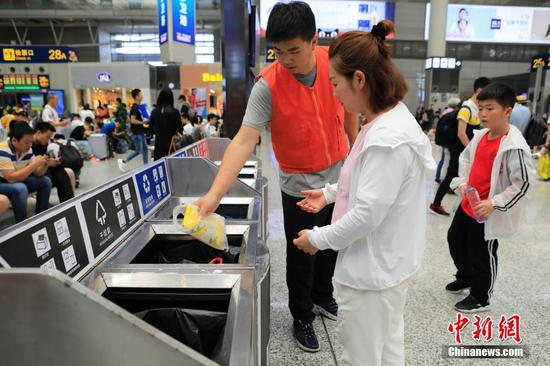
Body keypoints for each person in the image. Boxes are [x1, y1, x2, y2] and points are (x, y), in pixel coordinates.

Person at [194, 1, 359, 352]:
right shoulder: (267, 86)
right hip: (298, 184)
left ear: (314, 41)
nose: (286, 59)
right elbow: (242, 141)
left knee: (333, 242)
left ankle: (323, 294)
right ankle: (301, 314)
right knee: (303, 252)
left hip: (338, 178)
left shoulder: (337, 64)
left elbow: (349, 115)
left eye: (294, 50)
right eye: (278, 51)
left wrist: (358, 159)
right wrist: (214, 195)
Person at [293, 23, 436, 365]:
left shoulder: (386, 138)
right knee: (387, 350)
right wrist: (328, 195)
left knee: (363, 356)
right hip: (389, 267)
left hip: (373, 275)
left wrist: (317, 238)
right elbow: (369, 183)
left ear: (359, 79)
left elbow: (367, 214)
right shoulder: (388, 120)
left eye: (335, 84)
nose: (334, 93)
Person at [446, 83, 534, 312]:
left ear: (507, 111)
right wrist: (463, 184)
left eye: (490, 108)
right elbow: (466, 160)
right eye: (481, 108)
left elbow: (523, 184)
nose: (483, 114)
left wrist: (494, 203)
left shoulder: (514, 146)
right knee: (455, 239)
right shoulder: (481, 136)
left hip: (487, 212)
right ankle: (465, 276)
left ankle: (481, 296)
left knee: (482, 252)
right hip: (468, 204)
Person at [429, 76, 491, 216]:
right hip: (460, 150)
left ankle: (458, 206)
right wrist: (473, 149)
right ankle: (436, 204)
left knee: (462, 177)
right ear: (479, 90)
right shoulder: (467, 108)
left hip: (466, 150)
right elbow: (461, 133)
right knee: (451, 175)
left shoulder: (476, 108)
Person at [0, 121, 51, 223]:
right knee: (20, 188)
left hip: (16, 180)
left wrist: (45, 164)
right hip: (2, 182)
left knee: (45, 181)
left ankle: (41, 216)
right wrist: (35, 164)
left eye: (31, 142)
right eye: (27, 142)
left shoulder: (28, 150)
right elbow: (10, 178)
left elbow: (38, 173)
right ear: (14, 140)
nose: (30, 145)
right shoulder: (2, 150)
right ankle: (22, 224)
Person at [32, 122, 75, 203]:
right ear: (38, 133)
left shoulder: (42, 144)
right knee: (59, 173)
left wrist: (51, 162)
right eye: (47, 137)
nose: (48, 140)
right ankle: (68, 201)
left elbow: (43, 159)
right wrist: (47, 163)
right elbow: (33, 162)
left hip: (41, 170)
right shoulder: (28, 145)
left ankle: (68, 200)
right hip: (33, 172)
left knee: (59, 168)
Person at [118, 88, 149, 172]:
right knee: (139, 151)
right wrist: (143, 122)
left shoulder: (139, 107)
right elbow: (132, 120)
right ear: (136, 96)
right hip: (137, 132)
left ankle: (146, 166)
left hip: (141, 131)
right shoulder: (134, 108)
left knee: (145, 150)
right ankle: (123, 161)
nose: (142, 96)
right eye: (141, 94)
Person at [150, 88, 182, 160]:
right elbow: (180, 129)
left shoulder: (154, 112)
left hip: (159, 143)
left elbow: (151, 129)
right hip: (171, 144)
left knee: (159, 165)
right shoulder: (175, 112)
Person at [435, 97, 461, 183]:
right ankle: (444, 179)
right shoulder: (454, 113)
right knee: (447, 160)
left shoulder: (445, 111)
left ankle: (438, 176)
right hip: (449, 140)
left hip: (442, 139)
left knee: (442, 159)